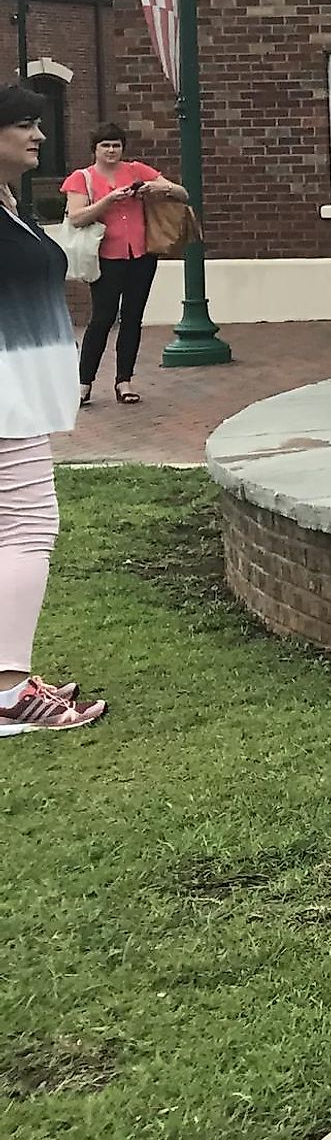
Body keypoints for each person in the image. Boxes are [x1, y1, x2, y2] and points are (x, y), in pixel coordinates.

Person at [0, 85, 106, 734]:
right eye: (23, 125)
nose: (39, 136)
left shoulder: (12, 203)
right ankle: (11, 690)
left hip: (20, 388)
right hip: (4, 395)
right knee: (30, 527)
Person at [59, 124, 187, 407]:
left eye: (116, 145)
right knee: (102, 318)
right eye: (105, 145)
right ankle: (84, 383)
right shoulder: (82, 178)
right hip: (106, 257)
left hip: (141, 255)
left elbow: (182, 194)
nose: (111, 151)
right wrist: (108, 200)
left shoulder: (136, 170)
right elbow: (77, 217)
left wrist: (158, 187)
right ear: (95, 149)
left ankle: (124, 381)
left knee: (132, 318)